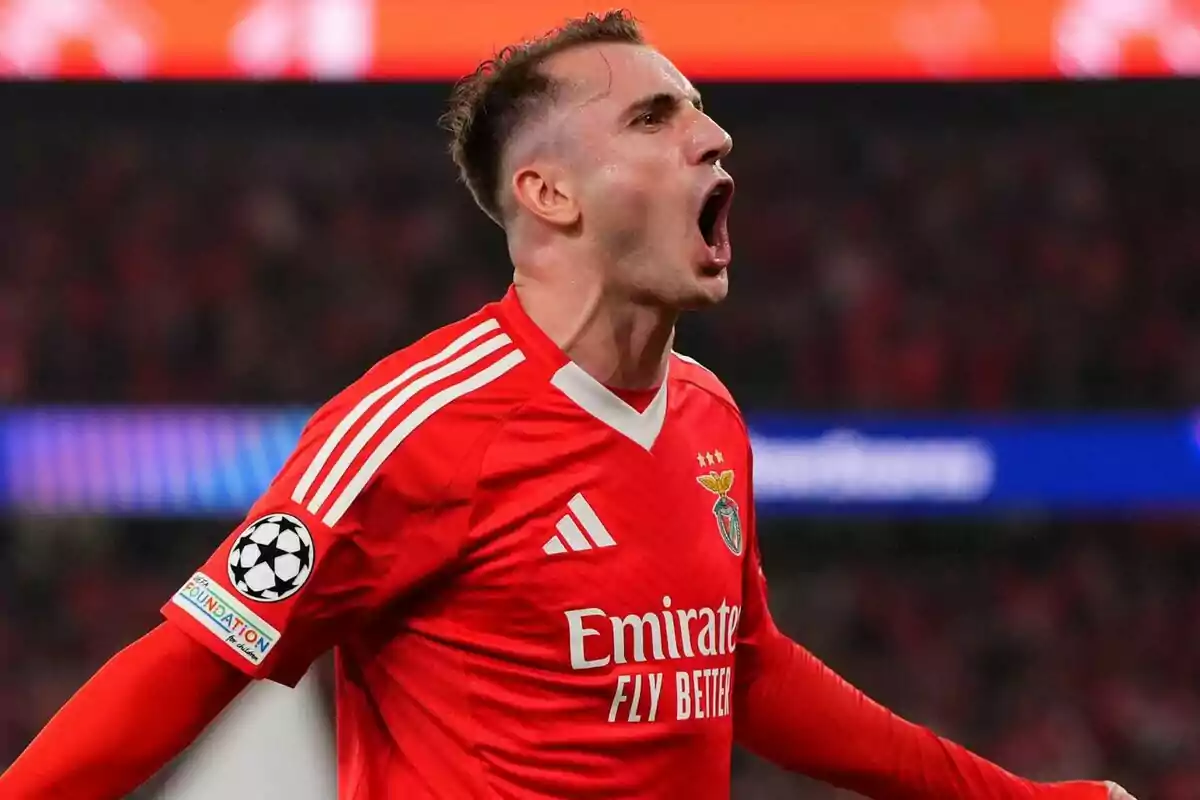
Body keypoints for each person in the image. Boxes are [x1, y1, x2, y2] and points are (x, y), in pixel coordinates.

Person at [0, 10, 1136, 800]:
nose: (715, 134)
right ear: (549, 194)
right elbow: (195, 657)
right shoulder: (412, 426)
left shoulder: (705, 416)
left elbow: (742, 670)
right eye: (654, 118)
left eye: (698, 108)